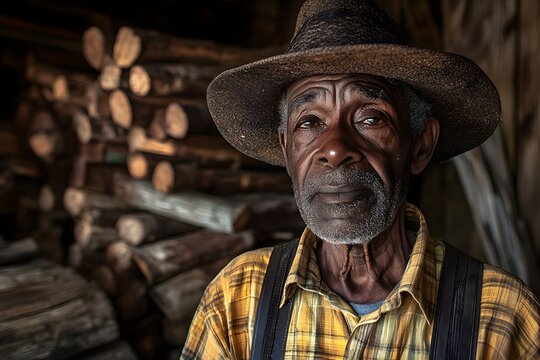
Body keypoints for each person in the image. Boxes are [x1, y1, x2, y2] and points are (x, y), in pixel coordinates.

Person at [181, 0, 540, 358]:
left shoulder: (501, 317)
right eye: (309, 122)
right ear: (287, 150)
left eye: (370, 118)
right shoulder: (238, 301)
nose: (335, 149)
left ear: (419, 145)